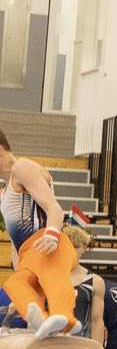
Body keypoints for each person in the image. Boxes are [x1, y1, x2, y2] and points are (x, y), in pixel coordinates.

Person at [0, 128, 73, 332]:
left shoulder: (22, 168)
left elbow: (55, 209)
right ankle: (42, 318)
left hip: (46, 250)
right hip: (30, 261)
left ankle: (61, 318)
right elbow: (17, 248)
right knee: (14, 288)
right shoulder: (3, 193)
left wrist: (51, 235)